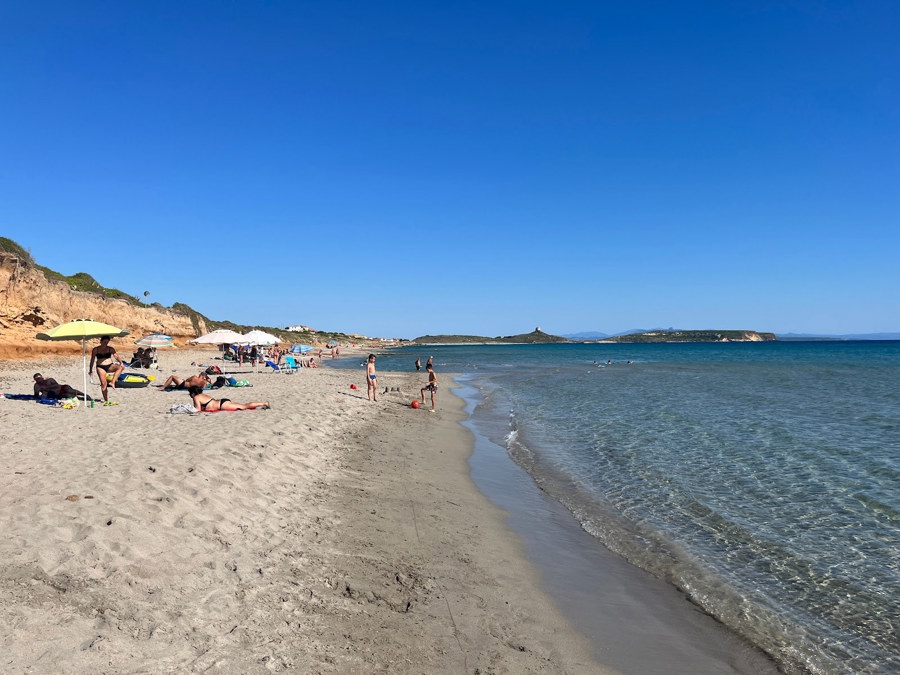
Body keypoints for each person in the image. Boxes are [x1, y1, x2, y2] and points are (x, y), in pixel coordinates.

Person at [89, 336, 126, 401]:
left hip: (110, 366)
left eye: (107, 342)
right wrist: (90, 369)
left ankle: (112, 382)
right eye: (104, 342)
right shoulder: (96, 349)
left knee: (120, 367)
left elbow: (116, 356)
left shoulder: (110, 349)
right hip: (100, 367)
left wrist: (121, 362)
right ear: (101, 341)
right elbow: (92, 359)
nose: (105, 343)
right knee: (103, 384)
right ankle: (106, 400)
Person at [187, 385, 269, 412]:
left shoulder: (196, 397)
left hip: (222, 405)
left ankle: (264, 403)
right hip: (222, 402)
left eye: (190, 394)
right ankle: (263, 403)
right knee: (243, 405)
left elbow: (197, 410)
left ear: (193, 393)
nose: (190, 395)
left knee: (244, 406)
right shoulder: (203, 395)